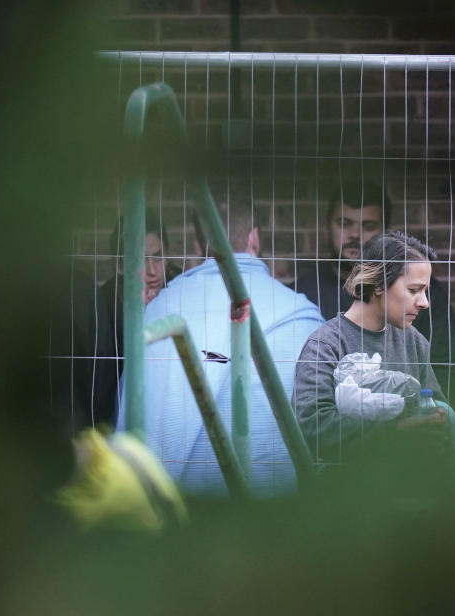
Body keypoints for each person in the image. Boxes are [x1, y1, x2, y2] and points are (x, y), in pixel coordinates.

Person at [117, 199, 324, 496]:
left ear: (198, 247)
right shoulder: (303, 313)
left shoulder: (160, 309)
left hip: (182, 507)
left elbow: (133, 408)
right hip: (278, 502)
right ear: (254, 238)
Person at [293, 230, 455, 494]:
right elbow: (313, 429)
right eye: (414, 290)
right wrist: (394, 434)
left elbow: (436, 409)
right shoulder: (325, 345)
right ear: (378, 285)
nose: (425, 303)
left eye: (425, 291)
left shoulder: (414, 341)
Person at [294, 183, 455, 389]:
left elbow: (445, 368)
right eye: (344, 223)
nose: (355, 234)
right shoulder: (300, 293)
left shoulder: (425, 293)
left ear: (385, 233)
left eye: (368, 226)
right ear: (326, 227)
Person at [89, 209, 180, 429]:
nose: (152, 271)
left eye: (158, 257)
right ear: (120, 266)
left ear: (167, 255)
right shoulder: (103, 304)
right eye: (140, 260)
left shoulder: (181, 288)